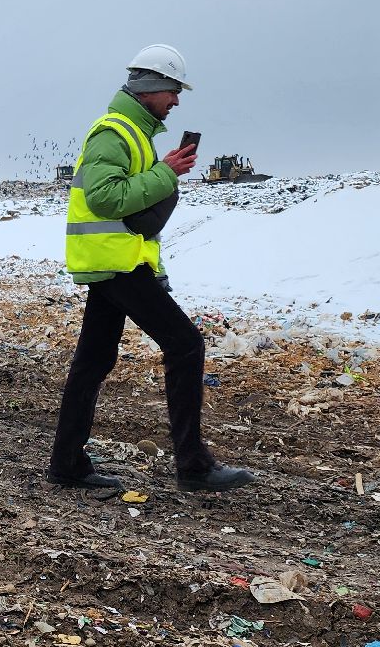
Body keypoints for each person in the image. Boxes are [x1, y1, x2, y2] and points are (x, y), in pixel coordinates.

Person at [48, 45, 255, 494]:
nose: (176, 102)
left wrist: (154, 262)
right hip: (116, 265)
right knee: (185, 345)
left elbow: (135, 216)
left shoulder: (136, 135)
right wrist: (165, 173)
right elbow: (106, 198)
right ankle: (194, 467)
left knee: (93, 361)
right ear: (150, 88)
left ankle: (66, 464)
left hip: (116, 262)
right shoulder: (114, 132)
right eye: (173, 92)